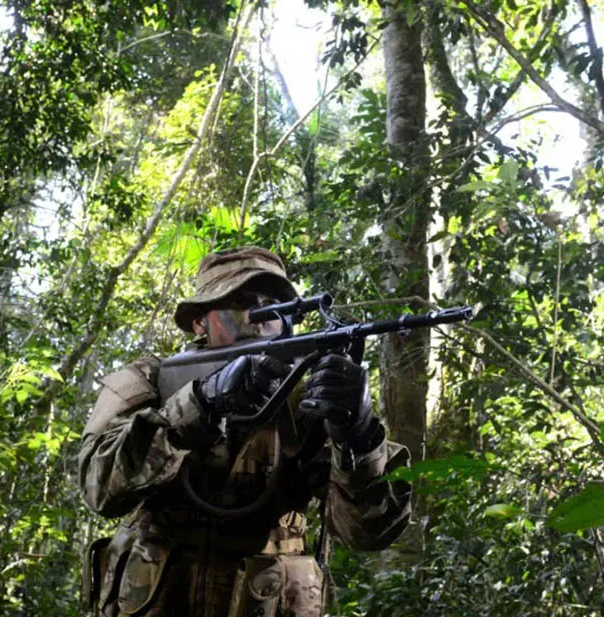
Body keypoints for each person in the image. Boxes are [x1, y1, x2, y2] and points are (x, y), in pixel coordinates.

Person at [79, 246, 411, 617]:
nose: (259, 316)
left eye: (273, 303)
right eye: (240, 302)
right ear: (199, 322)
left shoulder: (307, 396)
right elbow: (98, 486)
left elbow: (368, 533)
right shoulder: (153, 380)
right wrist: (199, 403)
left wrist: (358, 437)